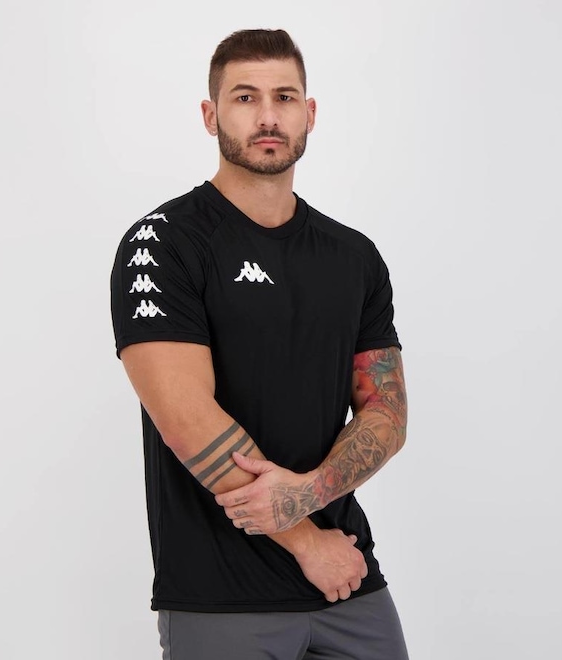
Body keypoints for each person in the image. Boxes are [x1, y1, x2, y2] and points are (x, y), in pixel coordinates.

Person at [110, 28, 410, 660]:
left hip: (348, 581)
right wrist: (307, 542)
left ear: (310, 113)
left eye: (285, 97)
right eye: (245, 97)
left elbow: (385, 412)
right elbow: (187, 420)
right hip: (222, 595)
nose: (268, 116)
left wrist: (311, 495)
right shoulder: (162, 244)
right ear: (210, 115)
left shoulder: (354, 256)